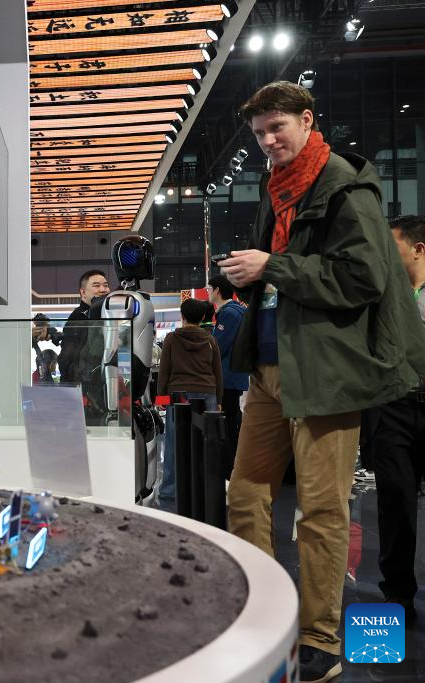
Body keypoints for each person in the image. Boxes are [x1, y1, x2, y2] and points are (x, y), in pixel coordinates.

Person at [219, 81, 425, 683]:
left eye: (277, 127)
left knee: (322, 511)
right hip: (267, 367)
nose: (268, 140)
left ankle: (320, 639)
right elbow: (282, 271)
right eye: (259, 133)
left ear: (307, 120)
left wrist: (273, 265)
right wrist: (251, 273)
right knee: (246, 495)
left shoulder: (343, 184)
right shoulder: (276, 188)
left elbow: (363, 277)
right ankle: (261, 615)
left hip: (325, 375)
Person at [373, 215, 425, 624]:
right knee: (395, 503)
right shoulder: (384, 296)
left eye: (393, 247)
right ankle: (397, 596)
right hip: (393, 409)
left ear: (418, 249)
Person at [156, 297, 223, 511]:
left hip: (179, 394)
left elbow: (164, 370)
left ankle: (169, 490)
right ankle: (205, 487)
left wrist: (161, 398)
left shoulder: (172, 339)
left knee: (174, 443)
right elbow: (217, 372)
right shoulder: (210, 340)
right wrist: (219, 400)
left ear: (182, 316)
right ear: (203, 317)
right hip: (207, 392)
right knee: (206, 442)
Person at [207, 274, 249, 480]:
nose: (207, 292)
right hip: (233, 375)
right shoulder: (235, 311)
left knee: (229, 425)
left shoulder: (230, 313)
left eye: (209, 289)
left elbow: (218, 347)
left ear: (217, 290)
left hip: (228, 377)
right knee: (231, 422)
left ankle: (230, 469)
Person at [58, 270, 111, 421]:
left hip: (104, 391)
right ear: (83, 292)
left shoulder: (106, 316)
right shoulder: (77, 319)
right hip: (85, 397)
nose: (103, 289)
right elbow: (66, 361)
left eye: (105, 285)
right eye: (96, 285)